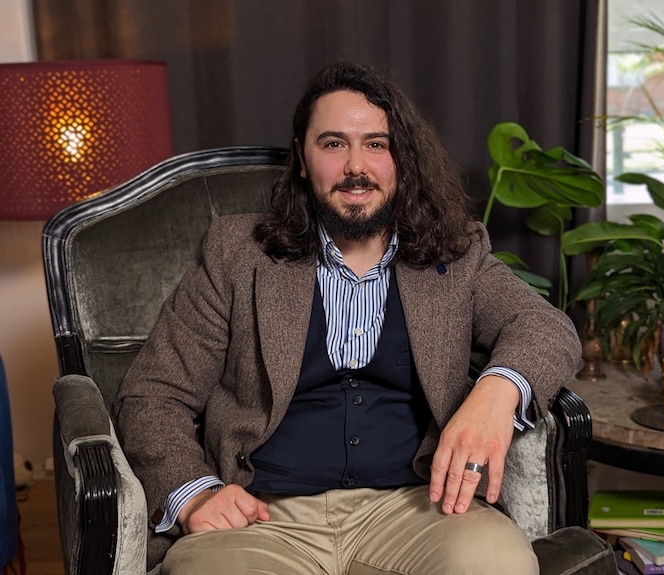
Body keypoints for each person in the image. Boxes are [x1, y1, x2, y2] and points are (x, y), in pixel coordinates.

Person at [115, 61, 580, 574]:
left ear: (402, 157)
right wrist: (196, 493)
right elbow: (152, 395)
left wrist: (496, 393)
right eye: (333, 144)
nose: (356, 166)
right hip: (260, 517)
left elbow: (547, 328)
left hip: (420, 509)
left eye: (377, 144)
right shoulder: (236, 253)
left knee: (501, 564)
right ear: (301, 157)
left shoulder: (456, 253)